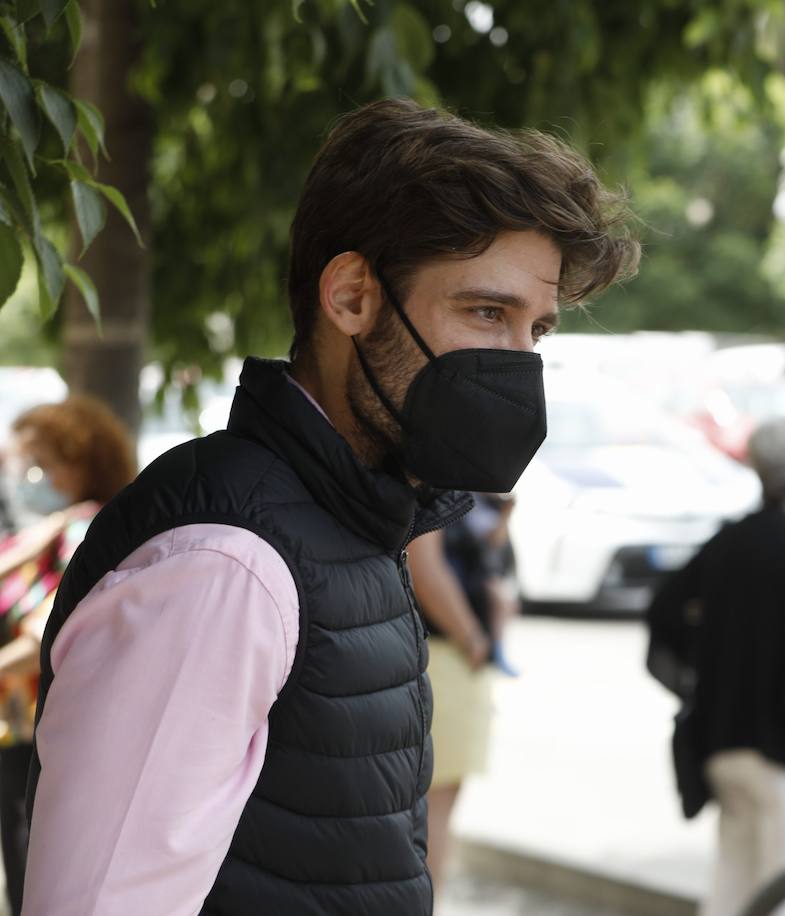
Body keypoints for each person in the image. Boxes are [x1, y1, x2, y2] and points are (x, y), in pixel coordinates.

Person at [24, 99, 637, 916]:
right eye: (486, 313)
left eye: (538, 330)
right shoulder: (222, 561)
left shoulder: (362, 517)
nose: (518, 362)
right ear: (352, 298)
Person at [648, 418, 785, 916]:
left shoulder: (726, 543)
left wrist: (701, 682)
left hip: (723, 745)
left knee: (734, 892)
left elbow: (665, 614)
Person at [0, 397, 136, 914]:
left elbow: (43, 635)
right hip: (26, 724)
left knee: (30, 863)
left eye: (42, 463)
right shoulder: (64, 526)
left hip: (39, 729)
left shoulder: (83, 527)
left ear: (82, 461)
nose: (28, 476)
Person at [407, 493, 518, 896]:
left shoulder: (476, 487)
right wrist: (472, 637)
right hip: (443, 657)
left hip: (455, 660)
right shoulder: (435, 478)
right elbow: (425, 566)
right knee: (431, 809)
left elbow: (489, 562)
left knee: (439, 806)